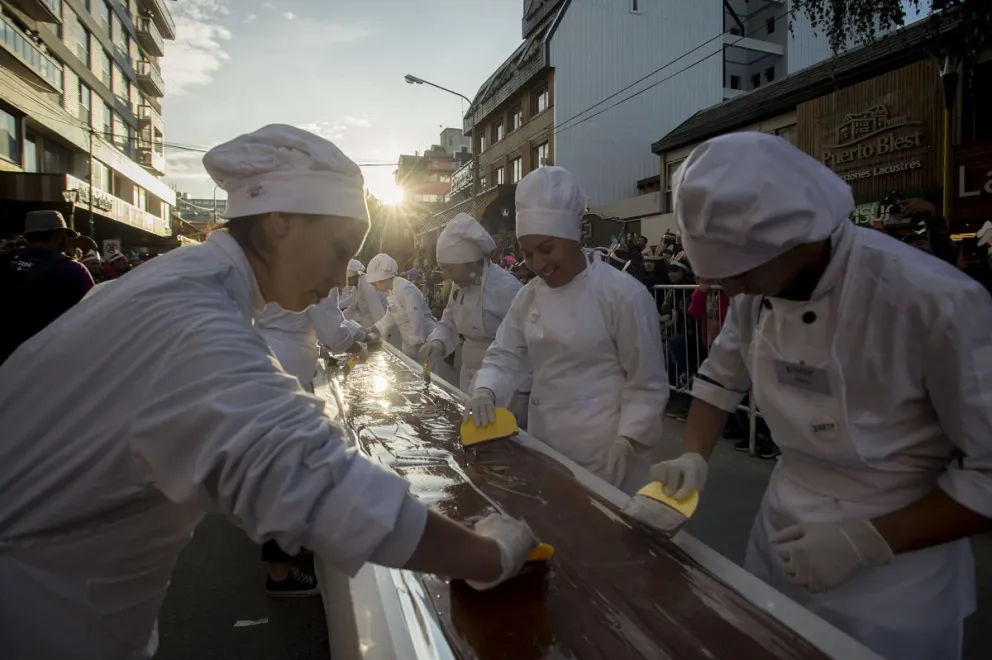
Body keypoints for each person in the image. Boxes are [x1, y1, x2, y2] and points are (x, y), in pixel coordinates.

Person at [0, 125, 540, 660]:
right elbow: (317, 482)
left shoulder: (180, 283)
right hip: (43, 616)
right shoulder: (192, 319)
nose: (339, 279)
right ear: (280, 221)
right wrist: (489, 555)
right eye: (337, 251)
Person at [650, 132, 992, 660]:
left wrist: (867, 541)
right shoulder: (758, 292)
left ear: (797, 240)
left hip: (898, 580)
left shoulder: (934, 302)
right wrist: (693, 455)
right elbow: (720, 380)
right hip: (781, 533)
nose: (733, 291)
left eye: (740, 273)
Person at [464, 167, 668, 494]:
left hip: (607, 458)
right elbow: (505, 355)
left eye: (547, 249)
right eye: (528, 253)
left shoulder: (622, 296)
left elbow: (646, 382)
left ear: (575, 237)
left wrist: (629, 439)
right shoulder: (529, 297)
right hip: (545, 447)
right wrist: (486, 390)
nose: (538, 264)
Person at [419, 214, 530, 422]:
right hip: (468, 375)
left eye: (451, 269)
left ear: (471, 262)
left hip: (504, 382)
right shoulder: (459, 286)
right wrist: (437, 342)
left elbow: (523, 345)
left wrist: (524, 394)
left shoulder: (506, 288)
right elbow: (449, 321)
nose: (447, 276)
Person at [0, 210, 94, 365]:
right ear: (58, 237)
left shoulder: (4, 260)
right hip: (48, 360)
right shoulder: (73, 270)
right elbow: (92, 316)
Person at [366, 252, 435, 359]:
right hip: (409, 344)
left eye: (375, 284)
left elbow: (415, 317)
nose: (375, 288)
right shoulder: (392, 292)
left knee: (427, 368)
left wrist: (416, 342)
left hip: (425, 341)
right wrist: (374, 328)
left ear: (384, 279)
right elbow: (390, 317)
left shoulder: (405, 288)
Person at [340, 258, 387, 328]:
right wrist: (338, 319)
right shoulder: (355, 289)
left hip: (384, 319)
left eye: (348, 279)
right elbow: (352, 308)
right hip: (370, 319)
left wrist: (381, 330)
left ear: (354, 277)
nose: (346, 281)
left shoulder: (367, 286)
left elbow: (378, 312)